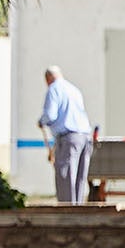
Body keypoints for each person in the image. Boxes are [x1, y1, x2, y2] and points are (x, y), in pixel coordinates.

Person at [40, 69, 94, 204]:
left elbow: (50, 115)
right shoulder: (74, 89)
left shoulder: (54, 89)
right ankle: (78, 211)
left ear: (48, 78)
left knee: (66, 176)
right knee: (79, 178)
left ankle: (67, 214)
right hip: (86, 137)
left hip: (69, 138)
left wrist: (41, 121)